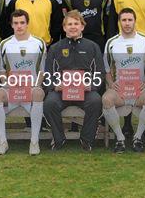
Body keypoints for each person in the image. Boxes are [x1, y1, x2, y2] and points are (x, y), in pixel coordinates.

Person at [43, 10, 105, 151]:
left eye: (76, 23)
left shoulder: (92, 47)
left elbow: (100, 72)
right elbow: (48, 73)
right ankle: (59, 139)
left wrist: (91, 86)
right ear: (64, 28)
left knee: (96, 102)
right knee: (49, 103)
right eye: (69, 24)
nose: (73, 27)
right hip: (61, 92)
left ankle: (86, 139)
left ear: (82, 26)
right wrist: (55, 86)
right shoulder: (55, 48)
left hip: (85, 91)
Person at [0, 10, 47, 155]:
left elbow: (42, 70)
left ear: (27, 24)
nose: (19, 26)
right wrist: (7, 82)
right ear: (11, 25)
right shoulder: (4, 44)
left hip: (31, 88)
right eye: (16, 23)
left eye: (22, 22)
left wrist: (36, 84)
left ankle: (34, 142)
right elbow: (2, 71)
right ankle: (2, 142)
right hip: (12, 88)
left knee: (39, 93)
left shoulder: (39, 43)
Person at [103, 8, 145, 153]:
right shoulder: (111, 43)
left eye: (130, 20)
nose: (127, 23)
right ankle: (120, 139)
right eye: (124, 20)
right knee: (106, 99)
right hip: (120, 91)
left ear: (135, 21)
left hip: (139, 90)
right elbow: (107, 69)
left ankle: (137, 138)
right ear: (119, 22)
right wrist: (111, 84)